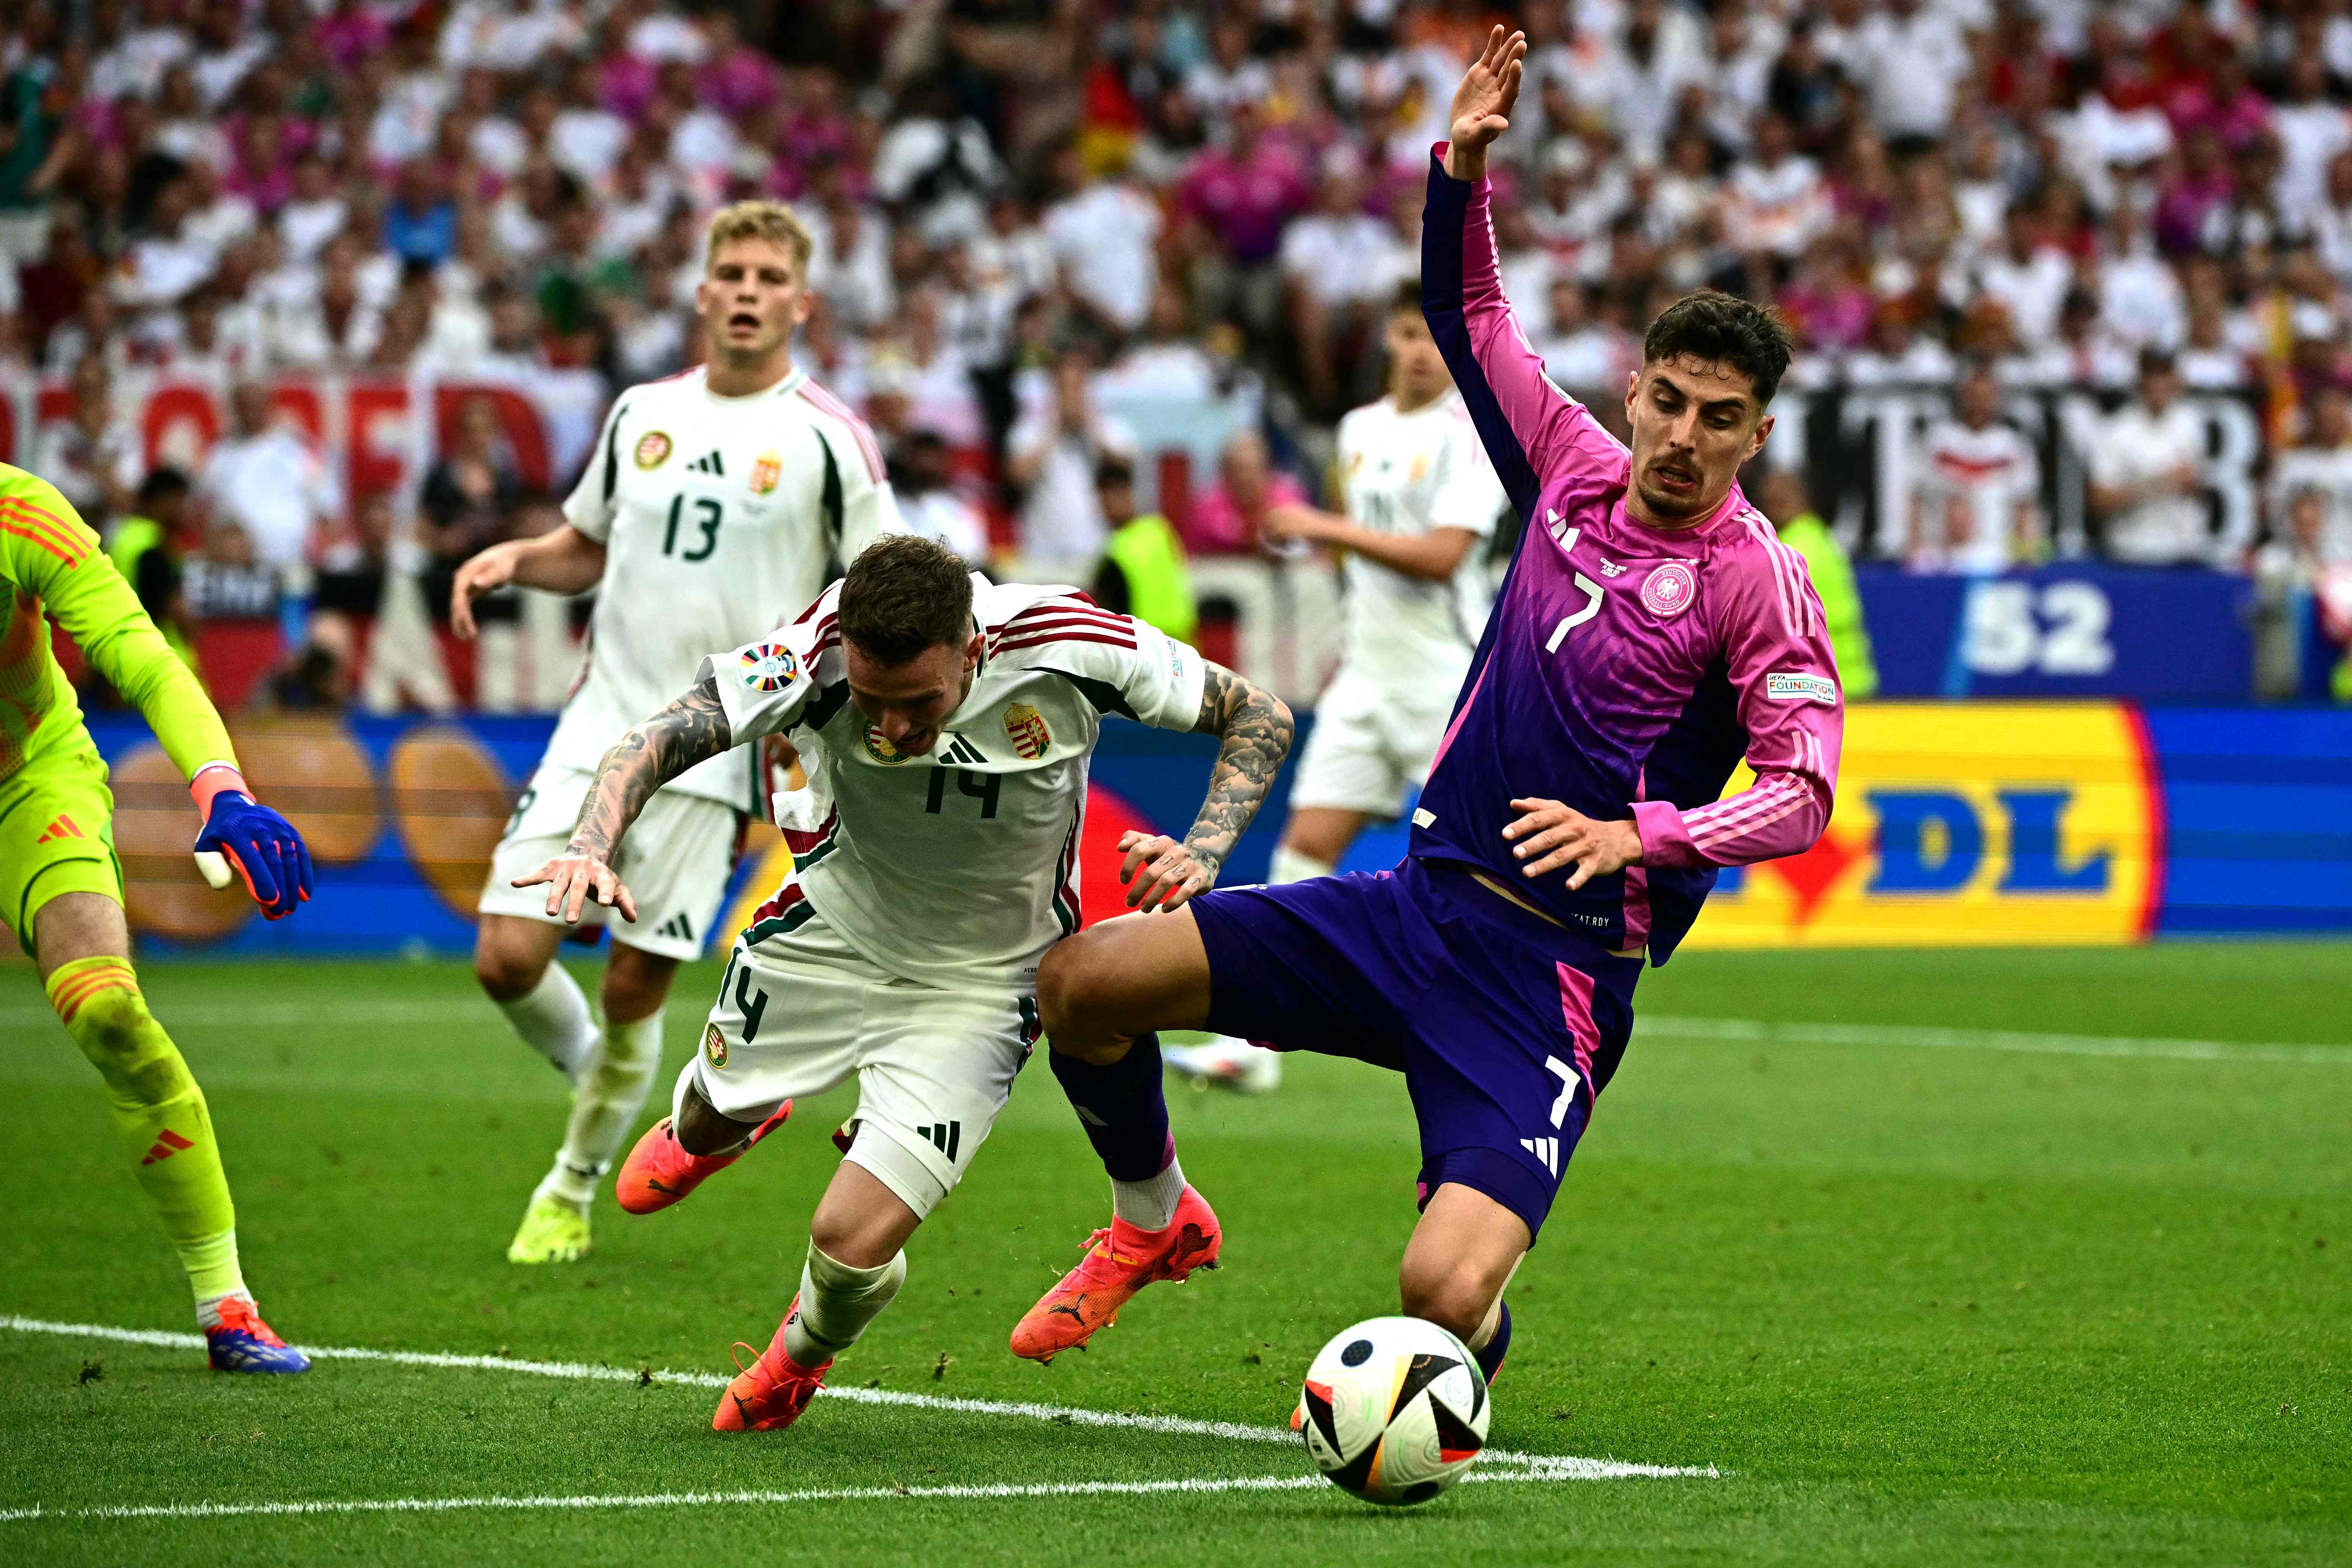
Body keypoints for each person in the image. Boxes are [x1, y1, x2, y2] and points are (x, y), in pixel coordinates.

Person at [1012, 31, 1842, 1386]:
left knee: (1440, 1286)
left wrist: (1650, 837)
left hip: (1551, 979)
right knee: (1084, 984)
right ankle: (1156, 1219)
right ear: (1636, 391)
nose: (1686, 437)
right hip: (1410, 910)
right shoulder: (1570, 465)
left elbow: (1804, 789)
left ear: (1759, 435)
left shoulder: (1761, 583)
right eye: (1673, 402)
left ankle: (1461, 1359)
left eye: (1723, 418)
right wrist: (1459, 171)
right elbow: (1474, 321)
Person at [517, 535, 1291, 1431]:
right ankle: (729, 1117)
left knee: (849, 1243)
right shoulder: (815, 649)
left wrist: (1200, 851)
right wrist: (588, 844)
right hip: (830, 936)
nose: (888, 727)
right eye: (873, 702)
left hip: (982, 982)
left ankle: (794, 1360)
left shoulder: (1067, 641)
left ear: (971, 649)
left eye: (917, 703)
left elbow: (1258, 712)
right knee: (701, 1119)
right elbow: (663, 731)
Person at [448, 200, 902, 1267]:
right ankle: (604, 1081)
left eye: (765, 277)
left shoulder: (829, 438)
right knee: (507, 957)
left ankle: (570, 1181)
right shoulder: (639, 414)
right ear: (702, 294)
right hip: (599, 722)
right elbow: (585, 547)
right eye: (729, 273)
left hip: (721, 750)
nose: (746, 291)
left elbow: (877, 592)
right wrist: (516, 558)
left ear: (801, 302)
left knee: (630, 988)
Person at [1, 459, 315, 1373]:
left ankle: (228, 1303)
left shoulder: (19, 509)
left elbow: (142, 654)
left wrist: (222, 787)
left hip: (28, 780)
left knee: (110, 1011)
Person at [1167, 279, 1508, 1094]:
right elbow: (1369, 565)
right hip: (1367, 676)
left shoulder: (1476, 437)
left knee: (1477, 865)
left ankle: (1497, 1030)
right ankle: (1256, 1048)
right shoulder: (1356, 431)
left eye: (1433, 337)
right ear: (1385, 342)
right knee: (1304, 845)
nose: (1421, 352)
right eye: (1405, 334)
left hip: (1446, 679)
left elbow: (1441, 557)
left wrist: (1321, 526)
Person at [1909, 361, 2043, 573]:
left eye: (1986, 397)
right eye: (1973, 396)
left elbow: (2024, 505)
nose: (1979, 403)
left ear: (1997, 399)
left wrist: (2027, 554)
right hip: (1940, 553)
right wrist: (1913, 547)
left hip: (1996, 553)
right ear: (1962, 396)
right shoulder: (1937, 439)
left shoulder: (2013, 444)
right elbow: (1917, 497)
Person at [1759, 468, 1877, 701]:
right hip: (1856, 680)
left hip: (1823, 688)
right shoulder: (1824, 540)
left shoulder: (1787, 553)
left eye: (1771, 502)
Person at [1088, 452, 1196, 643]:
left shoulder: (1115, 552)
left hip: (1146, 649)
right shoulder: (1161, 530)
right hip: (1182, 646)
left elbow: (1101, 608)